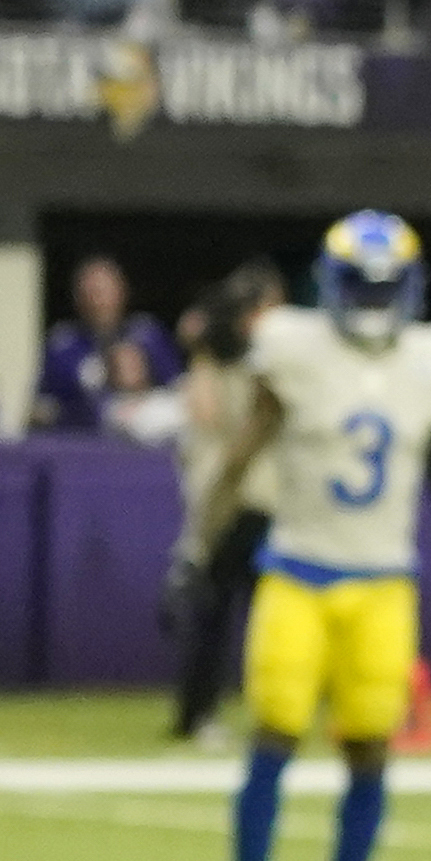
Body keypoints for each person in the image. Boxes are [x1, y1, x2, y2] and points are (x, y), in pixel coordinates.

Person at [196, 210, 431, 861]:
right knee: (273, 738)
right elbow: (242, 452)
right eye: (361, 283)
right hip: (297, 571)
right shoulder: (294, 348)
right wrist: (195, 545)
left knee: (369, 749)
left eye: (384, 284)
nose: (372, 297)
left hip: (383, 582)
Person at [160, 265, 282, 744]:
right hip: (236, 497)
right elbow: (211, 428)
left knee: (232, 612)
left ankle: (208, 713)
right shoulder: (227, 362)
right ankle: (202, 713)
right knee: (220, 611)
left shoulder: (239, 358)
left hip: (244, 495)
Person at [36, 254, 183, 439]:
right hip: (83, 446)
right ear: (77, 298)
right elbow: (42, 410)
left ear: (122, 291)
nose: (98, 301)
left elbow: (177, 391)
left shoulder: (148, 334)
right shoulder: (63, 345)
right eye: (91, 292)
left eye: (104, 291)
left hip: (146, 445)